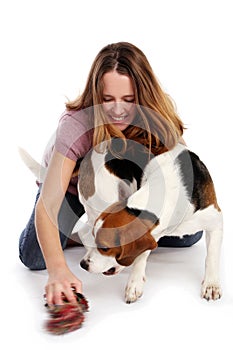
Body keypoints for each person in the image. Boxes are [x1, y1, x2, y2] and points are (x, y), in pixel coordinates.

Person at [19, 42, 202, 306]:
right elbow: (48, 206)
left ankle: (100, 230)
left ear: (143, 96)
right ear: (95, 96)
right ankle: (78, 233)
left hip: (126, 189)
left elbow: (181, 171)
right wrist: (58, 269)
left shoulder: (155, 118)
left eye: (128, 100)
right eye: (107, 99)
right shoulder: (76, 126)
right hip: (71, 187)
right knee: (34, 257)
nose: (118, 110)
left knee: (189, 236)